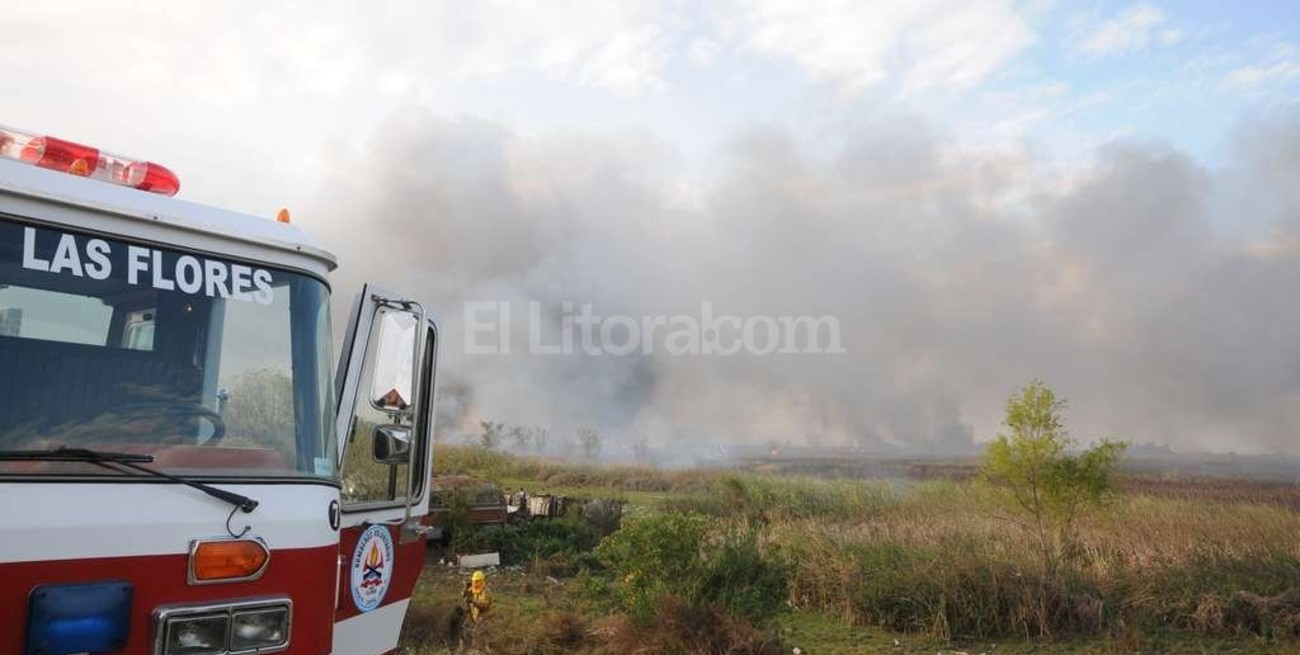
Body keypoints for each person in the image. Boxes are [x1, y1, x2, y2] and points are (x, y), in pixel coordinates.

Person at [458, 570, 492, 652]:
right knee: (464, 630)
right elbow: (463, 596)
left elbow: (485, 605)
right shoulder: (472, 589)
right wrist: (465, 589)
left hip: (484, 615)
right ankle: (464, 649)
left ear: (481, 581)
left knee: (479, 633)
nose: (475, 583)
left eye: (477, 581)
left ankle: (482, 650)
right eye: (474, 581)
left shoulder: (486, 592)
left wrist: (474, 602)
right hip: (472, 614)